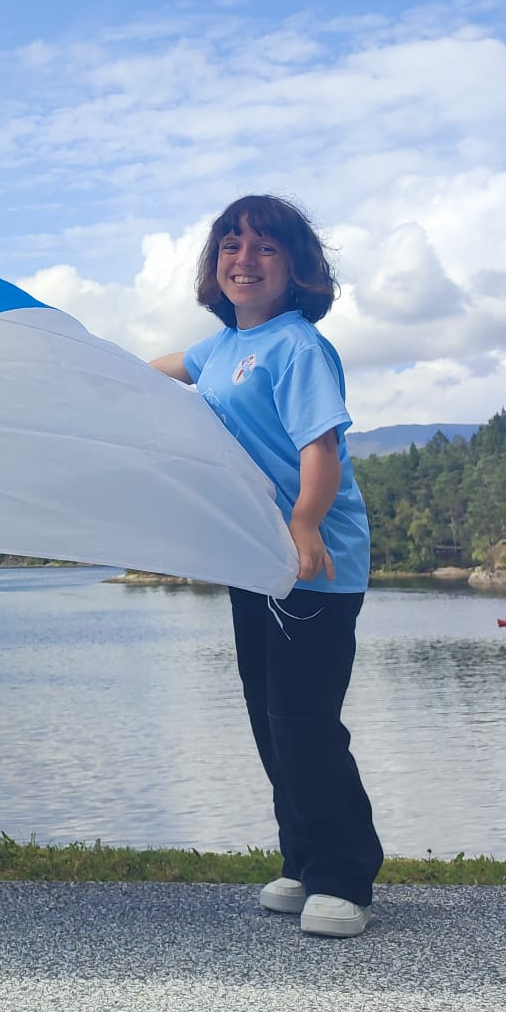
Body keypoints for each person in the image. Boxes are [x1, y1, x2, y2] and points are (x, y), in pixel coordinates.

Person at [147, 194, 382, 938]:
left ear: (297, 268)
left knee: (305, 720)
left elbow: (322, 452)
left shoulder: (296, 346)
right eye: (230, 246)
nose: (243, 260)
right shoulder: (215, 352)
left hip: (315, 561)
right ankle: (305, 860)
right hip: (255, 559)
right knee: (268, 717)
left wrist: (306, 521)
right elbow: (142, 376)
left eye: (264, 248)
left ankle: (345, 876)